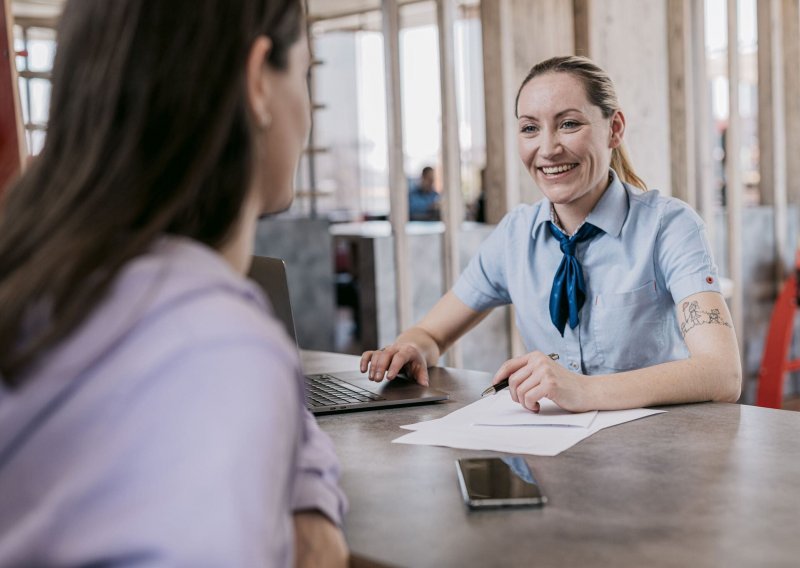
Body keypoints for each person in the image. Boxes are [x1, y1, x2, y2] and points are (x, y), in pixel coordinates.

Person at [0, 1, 348, 566]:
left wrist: (299, 467)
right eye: (304, 74)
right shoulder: (213, 349)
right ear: (259, 80)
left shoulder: (45, 281)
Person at [361, 55, 741, 413]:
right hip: (556, 454)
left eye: (569, 124)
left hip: (660, 455)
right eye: (530, 128)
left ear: (615, 129)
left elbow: (722, 374)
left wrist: (584, 390)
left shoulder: (668, 226)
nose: (548, 148)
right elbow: (431, 333)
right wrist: (410, 347)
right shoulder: (514, 237)